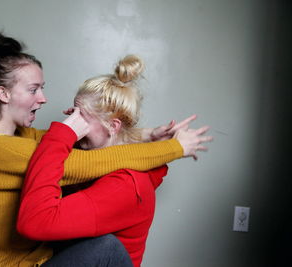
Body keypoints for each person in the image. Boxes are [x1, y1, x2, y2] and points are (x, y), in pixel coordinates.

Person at [0, 30, 211, 266]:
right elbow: (83, 161)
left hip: (25, 258)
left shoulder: (18, 137)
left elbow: (60, 151)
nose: (44, 99)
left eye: (42, 88)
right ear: (4, 94)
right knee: (106, 247)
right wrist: (176, 148)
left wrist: (148, 134)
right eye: (34, 89)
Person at [16, 55, 212, 267]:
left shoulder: (124, 186)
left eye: (82, 117)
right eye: (73, 113)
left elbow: (33, 223)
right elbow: (28, 138)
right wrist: (146, 135)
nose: (72, 123)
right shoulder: (103, 158)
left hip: (104, 258)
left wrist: (62, 134)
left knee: (105, 246)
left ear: (113, 126)